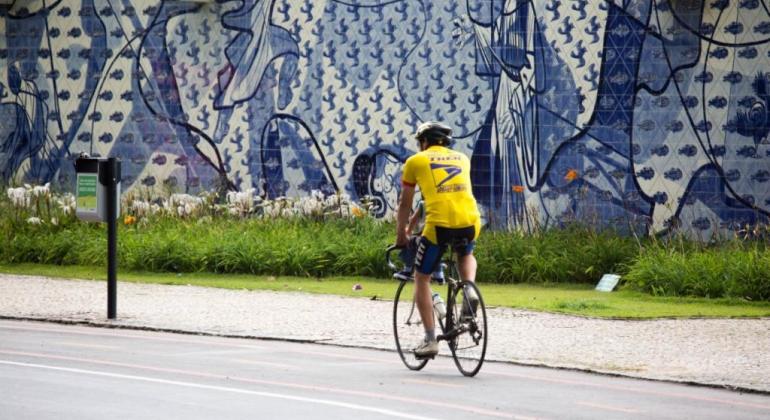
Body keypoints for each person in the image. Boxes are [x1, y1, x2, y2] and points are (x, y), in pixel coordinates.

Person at [395, 121, 482, 358]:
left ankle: (430, 339)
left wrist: (401, 234)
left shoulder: (415, 161)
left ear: (424, 141)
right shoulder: (462, 158)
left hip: (439, 225)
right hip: (470, 221)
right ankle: (469, 289)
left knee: (421, 278)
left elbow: (405, 204)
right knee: (466, 254)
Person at [393, 197, 445, 284]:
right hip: (446, 237)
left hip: (428, 237)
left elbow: (413, 221)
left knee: (411, 241)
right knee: (439, 247)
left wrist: (408, 232)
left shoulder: (424, 204)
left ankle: (407, 270)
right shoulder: (446, 204)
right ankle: (439, 273)